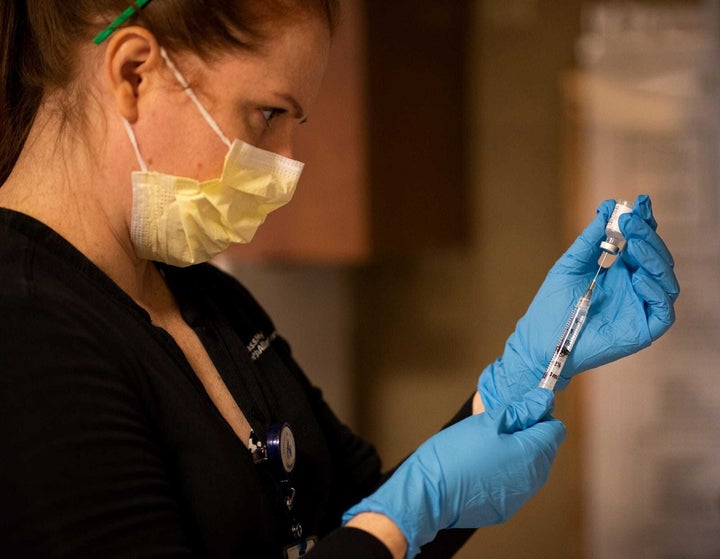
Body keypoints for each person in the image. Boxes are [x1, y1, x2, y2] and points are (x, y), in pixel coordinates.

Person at [0, 1, 678, 558]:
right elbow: (386, 526)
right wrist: (411, 512)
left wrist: (519, 379)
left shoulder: (207, 299)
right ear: (135, 73)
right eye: (267, 114)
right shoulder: (27, 335)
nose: (288, 168)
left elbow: (360, 515)